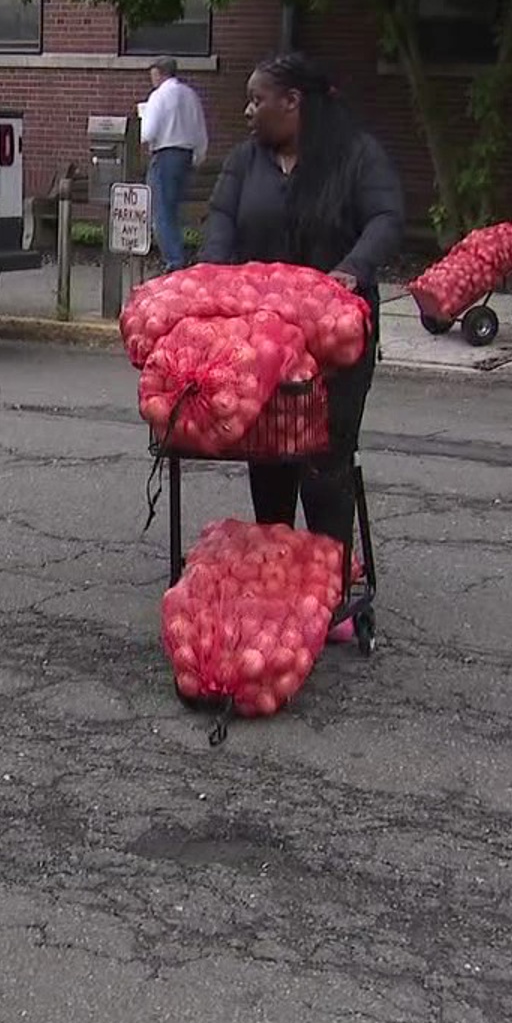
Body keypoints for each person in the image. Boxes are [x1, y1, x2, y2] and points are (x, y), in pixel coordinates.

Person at [199, 53, 402, 642]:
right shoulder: (246, 161)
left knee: (324, 457)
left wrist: (350, 270)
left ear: (293, 102)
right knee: (270, 453)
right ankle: (277, 570)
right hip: (262, 336)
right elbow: (221, 222)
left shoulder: (353, 154)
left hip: (335, 336)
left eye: (257, 99)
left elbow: (386, 218)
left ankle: (330, 586)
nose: (248, 111)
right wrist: (212, 280)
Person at [141, 56, 210, 273]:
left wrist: (143, 135)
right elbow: (200, 129)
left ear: (158, 73)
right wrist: (199, 156)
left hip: (164, 153)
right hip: (186, 156)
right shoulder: (191, 95)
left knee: (162, 211)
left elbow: (148, 131)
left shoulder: (158, 96)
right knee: (175, 209)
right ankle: (179, 256)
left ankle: (174, 261)